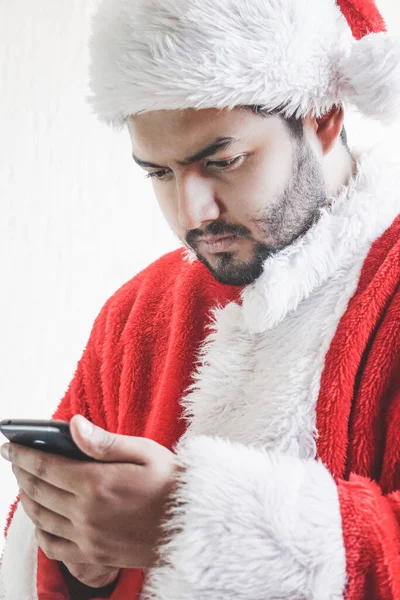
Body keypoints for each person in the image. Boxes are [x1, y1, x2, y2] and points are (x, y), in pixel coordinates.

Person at [1, 0, 400, 597]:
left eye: (222, 161)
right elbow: (46, 561)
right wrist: (80, 552)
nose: (193, 214)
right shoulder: (138, 312)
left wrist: (196, 525)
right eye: (159, 174)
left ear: (321, 117)